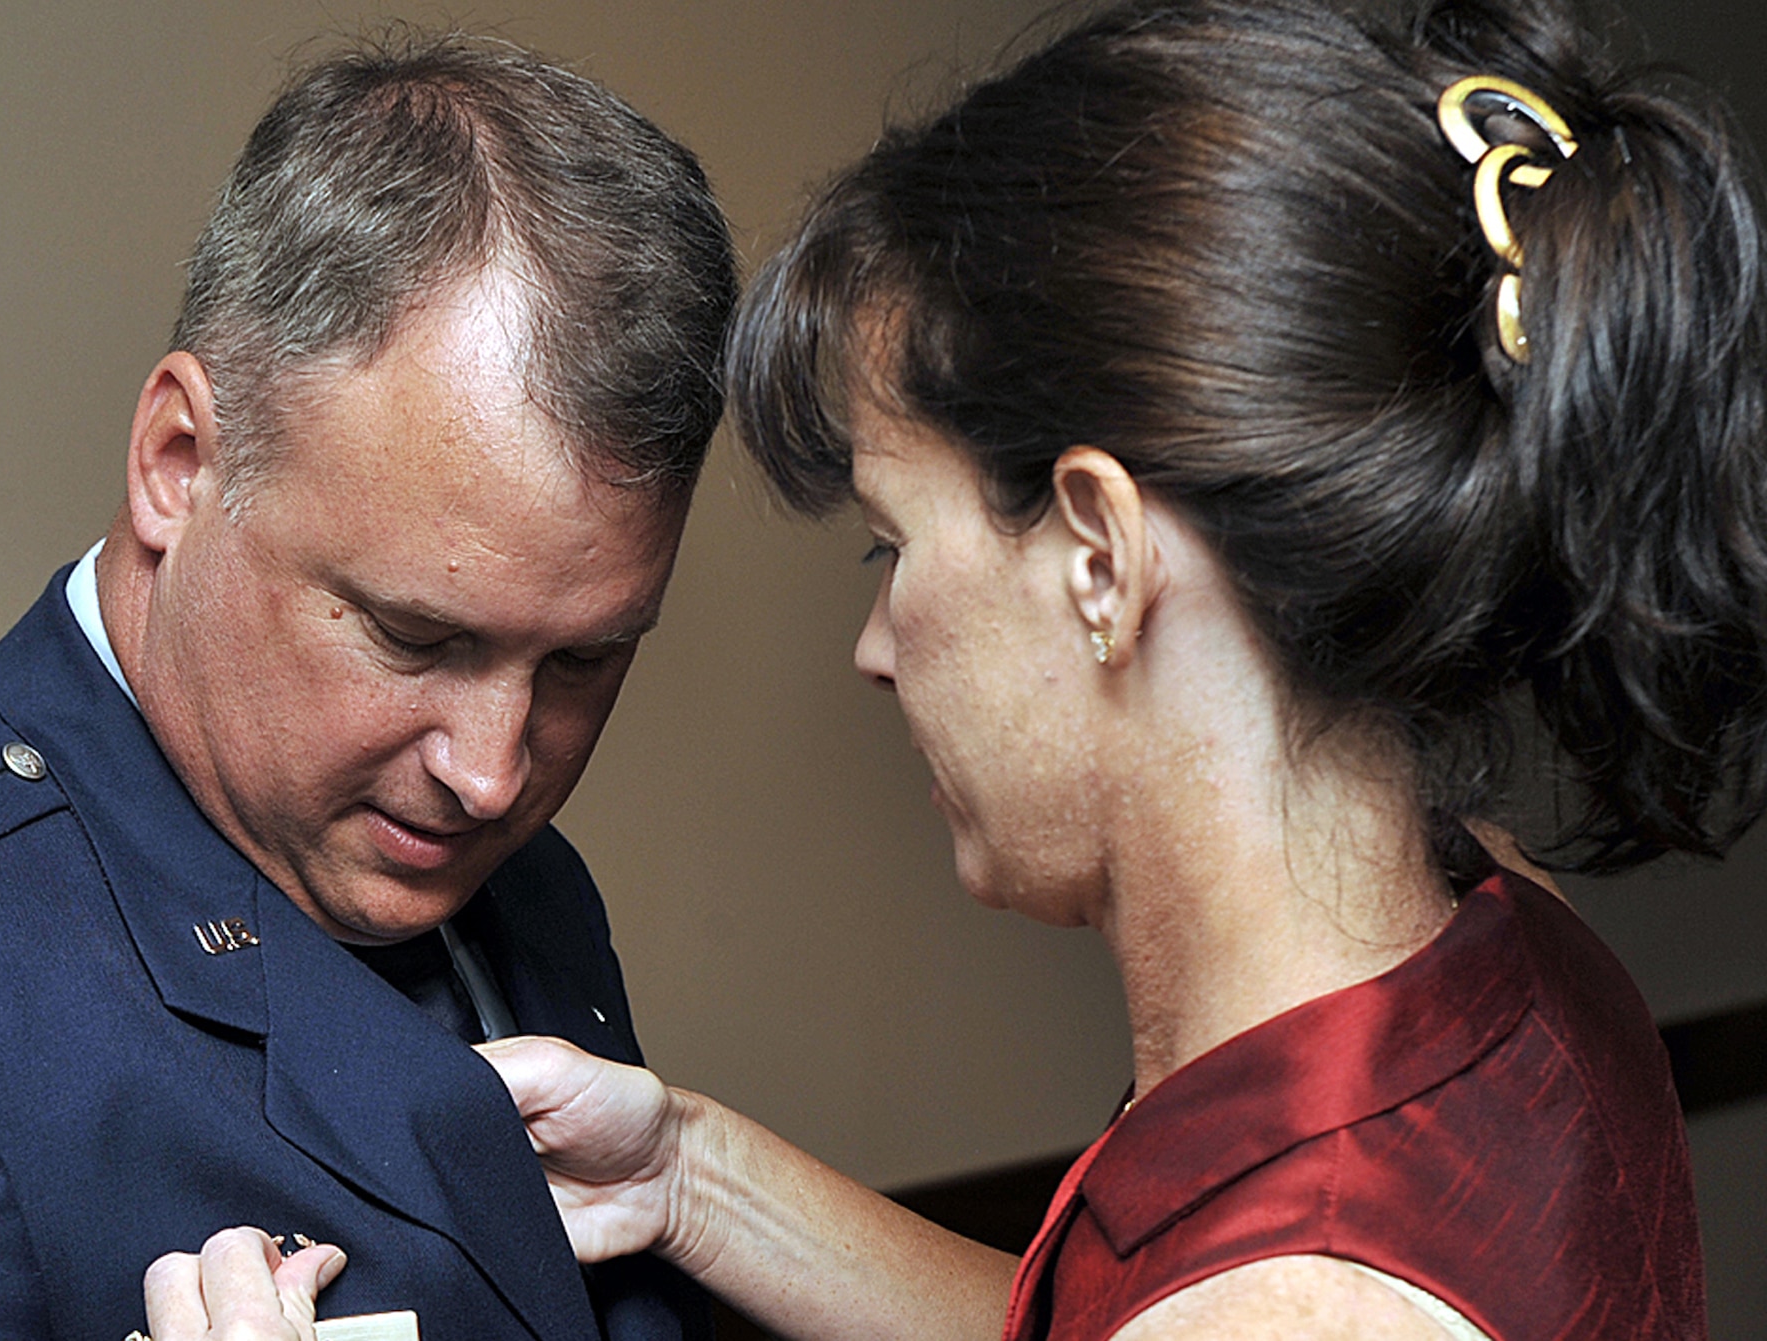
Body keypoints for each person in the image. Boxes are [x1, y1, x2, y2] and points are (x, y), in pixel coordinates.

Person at [152, 0, 1767, 1337]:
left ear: (1096, 556)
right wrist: (691, 1173)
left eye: (892, 544)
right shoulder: (1494, 929)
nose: (874, 645)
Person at [0, 30, 735, 1341]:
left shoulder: (528, 885)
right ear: (177, 463)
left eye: (582, 657)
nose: (497, 770)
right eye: (414, 635)